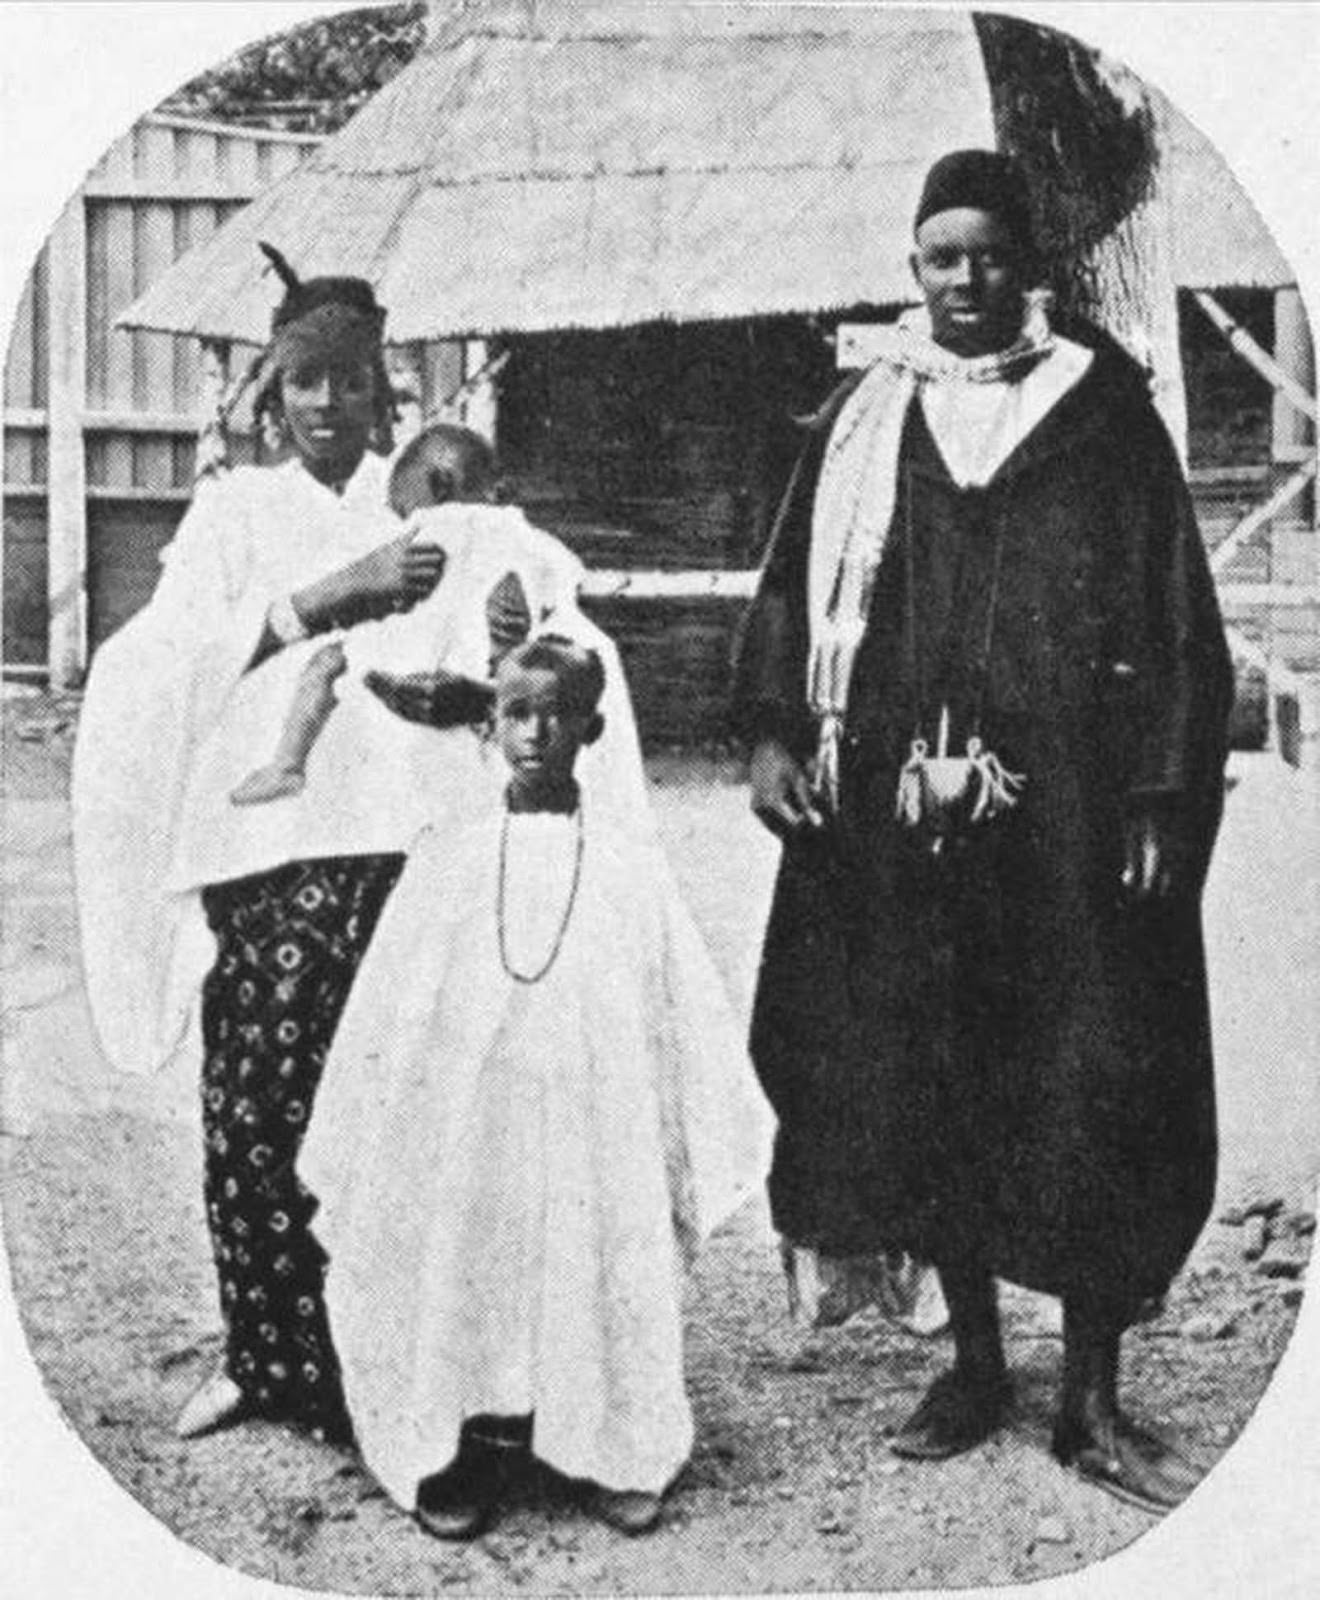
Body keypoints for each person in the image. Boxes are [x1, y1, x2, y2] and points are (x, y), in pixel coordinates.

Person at [71, 247, 647, 1443]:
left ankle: (424, 1369)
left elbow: (551, 620)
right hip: (276, 852)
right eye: (302, 383)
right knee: (261, 1104)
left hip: (418, 844)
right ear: (270, 396)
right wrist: (327, 595)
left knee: (413, 1103)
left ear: (386, 390)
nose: (326, 405)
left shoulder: (436, 491)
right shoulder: (237, 510)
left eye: (349, 381)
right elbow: (164, 666)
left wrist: (514, 624)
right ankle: (269, 1356)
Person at [734, 149, 1233, 1512]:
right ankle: (972, 1363)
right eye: (940, 255)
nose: (965, 279)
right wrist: (780, 729)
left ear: (1032, 268)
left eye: (989, 255)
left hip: (1067, 820)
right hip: (905, 819)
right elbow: (792, 592)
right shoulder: (866, 418)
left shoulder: (1102, 411)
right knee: (928, 1064)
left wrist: (1156, 792)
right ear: (914, 269)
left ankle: (1090, 1392)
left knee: (1090, 1073)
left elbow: (1174, 616)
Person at [298, 636, 773, 1540]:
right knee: (470, 1247)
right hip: (475, 1121)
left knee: (595, 1241)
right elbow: (393, 1017)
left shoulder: (629, 867)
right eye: (516, 712)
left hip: (592, 1116)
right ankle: (462, 1446)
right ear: (490, 722)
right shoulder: (449, 858)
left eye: (556, 715)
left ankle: (608, 1444)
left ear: (591, 730)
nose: (535, 731)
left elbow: (678, 1019)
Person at [230, 423, 524, 807]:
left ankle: (287, 764)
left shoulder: (430, 525)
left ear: (437, 487)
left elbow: (396, 592)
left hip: (409, 649)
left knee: (325, 663)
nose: (404, 518)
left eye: (403, 508)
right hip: (468, 656)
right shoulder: (514, 528)